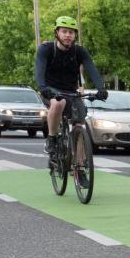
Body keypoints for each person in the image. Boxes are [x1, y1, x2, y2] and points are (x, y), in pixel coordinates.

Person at [34, 16, 107, 186]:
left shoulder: (79, 51)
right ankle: (52, 139)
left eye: (71, 32)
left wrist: (101, 88)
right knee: (58, 103)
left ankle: (79, 169)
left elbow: (92, 69)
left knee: (79, 127)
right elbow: (39, 71)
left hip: (71, 92)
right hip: (50, 90)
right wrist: (43, 86)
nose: (68, 35)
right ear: (57, 33)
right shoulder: (46, 49)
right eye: (65, 31)